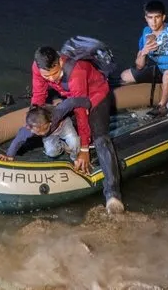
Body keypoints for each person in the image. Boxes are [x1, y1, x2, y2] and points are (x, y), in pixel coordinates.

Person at [31, 46, 124, 214]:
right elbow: (38, 96)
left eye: (55, 73)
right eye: (47, 76)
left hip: (96, 96)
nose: (51, 79)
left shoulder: (76, 70)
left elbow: (81, 111)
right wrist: (33, 119)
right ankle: (62, 145)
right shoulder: (37, 68)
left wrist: (84, 149)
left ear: (59, 61)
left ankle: (113, 195)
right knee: (46, 118)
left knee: (101, 138)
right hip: (70, 97)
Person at [0, 97, 91, 162]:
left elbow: (71, 102)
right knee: (51, 152)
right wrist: (9, 155)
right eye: (39, 132)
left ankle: (75, 158)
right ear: (30, 128)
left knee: (74, 141)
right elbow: (17, 141)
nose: (43, 132)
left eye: (46, 127)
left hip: (63, 126)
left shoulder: (57, 113)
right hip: (51, 135)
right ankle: (63, 145)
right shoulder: (27, 130)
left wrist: (87, 104)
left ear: (49, 121)